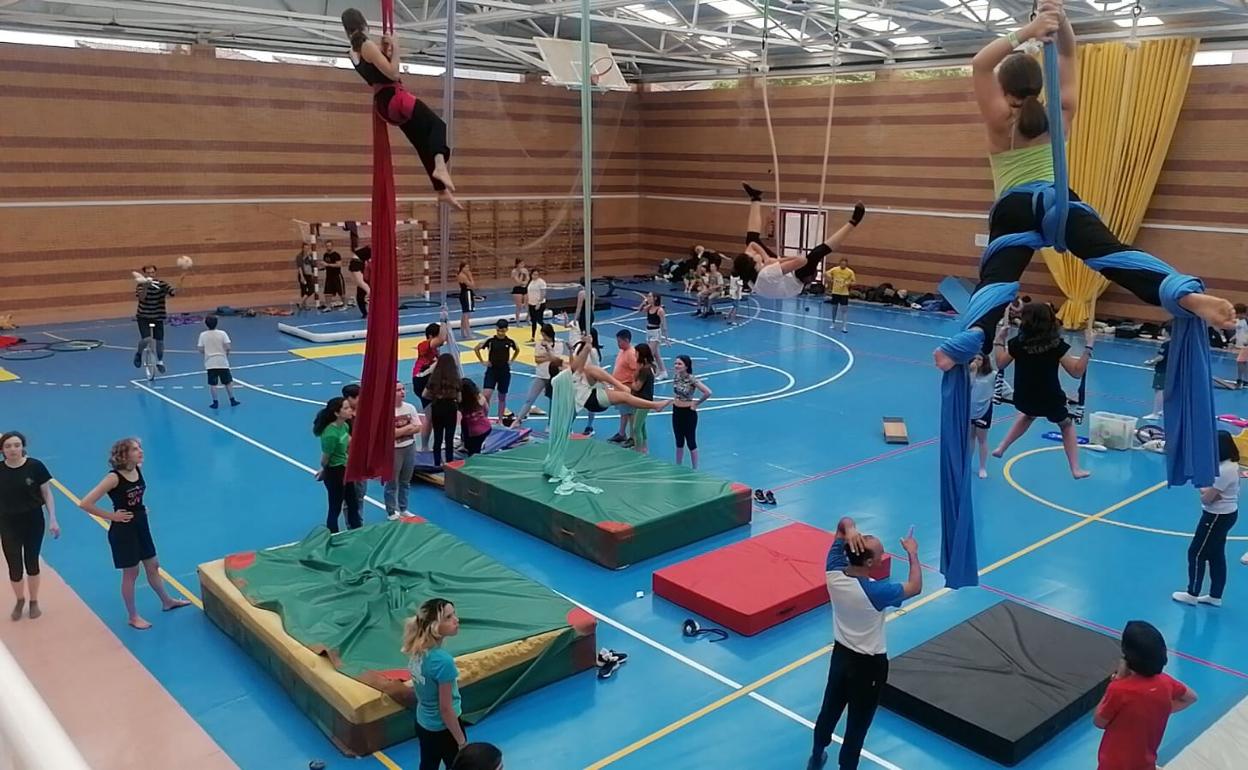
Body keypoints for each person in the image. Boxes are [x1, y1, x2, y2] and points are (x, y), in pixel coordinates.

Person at [933, 0, 1233, 373]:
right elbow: (1068, 52)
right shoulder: (1060, 110)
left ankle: (972, 340)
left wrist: (1025, 32)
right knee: (1113, 255)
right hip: (1058, 201)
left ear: (1003, 86)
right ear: (1039, 85)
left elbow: (980, 63)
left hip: (1014, 209)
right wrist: (1060, 20)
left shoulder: (1000, 118)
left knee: (998, 281)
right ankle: (1184, 294)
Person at [808, 517, 921, 770]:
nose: (883, 557)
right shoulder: (877, 593)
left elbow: (842, 523)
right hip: (868, 667)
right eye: (881, 554)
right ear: (869, 562)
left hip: (840, 658)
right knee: (857, 726)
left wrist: (850, 529)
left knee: (829, 712)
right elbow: (915, 587)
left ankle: (816, 758)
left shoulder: (834, 572)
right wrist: (913, 553)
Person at [341, 8, 460, 209]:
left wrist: (384, 50)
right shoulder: (367, 45)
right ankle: (440, 167)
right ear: (362, 23)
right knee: (438, 126)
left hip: (385, 106)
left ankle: (441, 190)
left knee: (422, 143)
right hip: (395, 98)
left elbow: (374, 70)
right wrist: (396, 48)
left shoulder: (353, 52)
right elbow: (393, 74)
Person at [77, 438, 191, 629]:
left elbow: (136, 494)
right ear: (124, 454)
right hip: (123, 529)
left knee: (153, 565)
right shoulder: (113, 478)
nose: (141, 452)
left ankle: (167, 601)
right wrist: (112, 516)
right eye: (135, 449)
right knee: (131, 572)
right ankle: (133, 616)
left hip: (140, 523)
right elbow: (85, 503)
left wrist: (140, 507)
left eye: (140, 448)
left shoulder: (137, 469)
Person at [990, 303, 1093, 479]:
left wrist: (999, 340)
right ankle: (1075, 468)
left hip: (1023, 397)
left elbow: (1000, 363)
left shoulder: (1017, 344)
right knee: (1066, 425)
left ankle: (1002, 447)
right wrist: (1089, 347)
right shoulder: (1056, 346)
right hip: (1050, 399)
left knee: (1028, 414)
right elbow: (1076, 372)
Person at [1093, 620, 1197, 770]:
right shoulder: (1166, 682)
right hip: (1145, 763)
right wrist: (1161, 709)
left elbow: (1099, 721)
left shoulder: (1119, 689)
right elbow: (1191, 697)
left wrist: (1116, 681)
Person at [731, 184, 865, 300]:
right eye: (753, 255)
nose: (753, 253)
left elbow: (752, 244)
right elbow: (802, 260)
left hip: (776, 276)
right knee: (816, 253)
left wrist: (766, 258)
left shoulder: (749, 272)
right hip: (796, 280)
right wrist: (778, 261)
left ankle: (755, 198)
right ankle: (854, 222)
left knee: (751, 238)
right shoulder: (766, 275)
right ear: (754, 265)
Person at [546, 336, 670, 434]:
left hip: (592, 393)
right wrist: (587, 347)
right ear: (559, 371)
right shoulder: (559, 380)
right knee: (591, 371)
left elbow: (567, 363)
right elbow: (577, 365)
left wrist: (554, 349)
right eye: (563, 366)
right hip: (592, 400)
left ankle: (631, 393)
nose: (566, 365)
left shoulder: (565, 375)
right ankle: (654, 405)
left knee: (592, 371)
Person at [1173, 429, 1239, 607]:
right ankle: (1215, 595)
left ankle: (1192, 594)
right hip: (1226, 514)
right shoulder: (1229, 465)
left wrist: (1201, 484)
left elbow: (1207, 498)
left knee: (1196, 553)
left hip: (1216, 516)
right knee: (1216, 555)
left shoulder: (1225, 471)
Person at [402, 598, 467, 770]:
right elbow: (446, 709)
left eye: (454, 614)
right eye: (448, 617)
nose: (456, 619)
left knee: (428, 764)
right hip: (444, 728)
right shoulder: (442, 661)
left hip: (424, 722)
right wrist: (461, 741)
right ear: (435, 626)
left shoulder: (417, 650)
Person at [0, 432, 59, 621]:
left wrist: (53, 519)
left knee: (32, 562)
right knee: (14, 566)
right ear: (2, 450)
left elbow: (47, 494)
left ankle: (34, 601)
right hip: (7, 522)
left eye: (16, 445)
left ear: (22, 447)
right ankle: (20, 600)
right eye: (8, 446)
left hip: (33, 520)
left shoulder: (35, 467)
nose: (13, 449)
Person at [313, 397, 361, 533]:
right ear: (337, 413)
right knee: (335, 506)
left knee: (353, 502)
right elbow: (325, 458)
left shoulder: (344, 426)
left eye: (349, 407)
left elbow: (349, 442)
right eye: (346, 408)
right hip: (335, 472)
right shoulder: (330, 434)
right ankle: (332, 533)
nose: (350, 410)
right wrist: (324, 470)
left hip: (345, 468)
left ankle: (356, 530)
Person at [131, 263, 181, 373]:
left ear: (155, 273)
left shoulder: (161, 284)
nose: (151, 274)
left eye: (152, 272)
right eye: (148, 273)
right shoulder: (140, 285)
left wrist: (180, 283)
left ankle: (160, 361)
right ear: (145, 274)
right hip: (144, 316)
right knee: (147, 339)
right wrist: (145, 286)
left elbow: (173, 292)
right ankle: (138, 354)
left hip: (158, 316)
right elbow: (142, 298)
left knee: (160, 342)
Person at [516, 323, 567, 425]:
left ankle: (550, 424)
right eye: (542, 335)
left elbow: (556, 360)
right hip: (540, 375)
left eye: (545, 335)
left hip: (553, 376)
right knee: (530, 398)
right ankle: (518, 420)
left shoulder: (559, 343)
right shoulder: (539, 343)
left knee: (552, 402)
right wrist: (548, 355)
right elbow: (537, 359)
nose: (543, 337)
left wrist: (547, 354)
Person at [386, 382, 421, 521]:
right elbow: (390, 434)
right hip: (394, 450)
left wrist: (399, 431)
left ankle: (403, 508)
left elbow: (418, 427)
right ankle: (391, 510)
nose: (402, 392)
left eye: (403, 389)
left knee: (405, 481)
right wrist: (408, 429)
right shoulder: (387, 411)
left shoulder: (410, 407)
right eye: (398, 390)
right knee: (392, 481)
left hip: (409, 447)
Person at [670, 354, 711, 469]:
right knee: (678, 440)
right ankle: (678, 465)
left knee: (690, 441)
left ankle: (695, 468)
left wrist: (696, 403)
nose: (676, 366)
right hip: (676, 411)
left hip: (688, 413)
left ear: (686, 366)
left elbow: (707, 392)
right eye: (675, 363)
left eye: (679, 364)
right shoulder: (676, 376)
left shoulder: (692, 379)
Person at [413, 323, 449, 451]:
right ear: (430, 336)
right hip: (422, 380)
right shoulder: (423, 345)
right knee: (431, 416)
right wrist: (444, 320)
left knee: (433, 415)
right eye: (438, 335)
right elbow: (442, 339)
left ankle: (428, 445)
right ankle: (424, 446)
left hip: (429, 381)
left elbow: (445, 339)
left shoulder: (435, 351)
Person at [474, 319, 519, 419]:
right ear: (496, 329)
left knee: (502, 397)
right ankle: (484, 418)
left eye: (503, 331)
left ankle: (500, 419)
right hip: (492, 370)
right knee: (486, 395)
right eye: (499, 331)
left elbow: (517, 349)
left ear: (507, 330)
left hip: (504, 371)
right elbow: (476, 348)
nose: (500, 333)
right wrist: (482, 361)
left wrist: (512, 360)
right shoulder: (490, 340)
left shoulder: (510, 341)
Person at [423, 353, 462, 468]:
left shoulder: (434, 379)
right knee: (449, 438)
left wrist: (435, 397)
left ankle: (436, 463)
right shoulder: (455, 379)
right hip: (450, 408)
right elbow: (459, 398)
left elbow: (424, 394)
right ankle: (450, 463)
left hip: (437, 407)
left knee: (438, 437)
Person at [197, 315, 240, 410]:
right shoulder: (222, 333)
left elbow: (200, 349)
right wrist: (225, 354)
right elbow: (228, 347)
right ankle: (232, 400)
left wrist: (207, 352)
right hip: (222, 361)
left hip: (210, 363)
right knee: (227, 382)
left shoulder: (203, 335)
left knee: (213, 384)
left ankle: (215, 402)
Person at [607, 330, 639, 445]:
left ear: (626, 340)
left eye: (619, 341)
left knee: (630, 413)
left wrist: (633, 386)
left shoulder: (631, 353)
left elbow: (636, 370)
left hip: (626, 388)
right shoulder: (622, 351)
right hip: (620, 387)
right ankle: (622, 433)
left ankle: (632, 437)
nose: (618, 344)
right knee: (623, 412)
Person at [970, 353, 995, 479]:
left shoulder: (992, 375)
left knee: (982, 439)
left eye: (979, 359)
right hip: (969, 411)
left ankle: (982, 467)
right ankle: (967, 463)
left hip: (984, 411)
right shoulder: (969, 373)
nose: (976, 361)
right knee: (970, 439)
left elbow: (1003, 390)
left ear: (984, 361)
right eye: (974, 358)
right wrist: (972, 372)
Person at [631, 343, 657, 454]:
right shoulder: (650, 367)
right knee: (642, 425)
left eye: (636, 352)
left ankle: (639, 450)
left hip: (642, 400)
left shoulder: (644, 370)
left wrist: (629, 383)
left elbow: (637, 386)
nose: (635, 354)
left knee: (636, 427)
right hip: (644, 399)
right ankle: (644, 447)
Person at [639, 293, 669, 377]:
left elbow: (664, 325)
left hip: (656, 333)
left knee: (649, 354)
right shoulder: (649, 307)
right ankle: (663, 372)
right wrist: (644, 302)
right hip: (648, 332)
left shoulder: (660, 310)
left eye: (649, 296)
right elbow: (639, 310)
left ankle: (649, 373)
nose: (648, 298)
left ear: (655, 298)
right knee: (656, 355)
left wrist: (666, 338)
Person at [459, 379, 492, 456]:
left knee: (473, 453)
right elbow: (486, 409)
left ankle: (472, 448)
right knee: (464, 422)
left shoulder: (462, 404)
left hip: (475, 434)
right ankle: (470, 444)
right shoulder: (480, 397)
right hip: (487, 427)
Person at [825, 257, 856, 333]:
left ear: (846, 264)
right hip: (835, 292)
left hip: (844, 293)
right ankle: (833, 323)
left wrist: (848, 283)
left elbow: (854, 282)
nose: (843, 265)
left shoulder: (850, 272)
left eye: (844, 264)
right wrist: (831, 279)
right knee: (834, 308)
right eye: (842, 264)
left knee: (844, 310)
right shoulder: (835, 269)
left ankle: (844, 326)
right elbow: (826, 273)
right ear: (840, 263)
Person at [1143, 336, 1169, 420]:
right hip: (1170, 370)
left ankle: (1155, 413)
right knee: (1166, 390)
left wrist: (1151, 362)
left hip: (1162, 370)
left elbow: (1161, 357)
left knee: (1159, 390)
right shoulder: (1176, 344)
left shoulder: (1166, 344)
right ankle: (1163, 410)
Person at [296, 243, 321, 311]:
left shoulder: (310, 256)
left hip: (309, 275)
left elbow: (313, 265)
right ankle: (304, 305)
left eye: (307, 248)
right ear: (302, 248)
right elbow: (299, 267)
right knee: (303, 290)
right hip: (303, 275)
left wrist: (311, 259)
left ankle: (301, 302)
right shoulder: (299, 256)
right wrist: (302, 277)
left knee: (311, 289)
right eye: (305, 248)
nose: (306, 249)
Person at [348, 246, 372, 319]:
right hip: (356, 263)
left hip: (357, 263)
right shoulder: (371, 250)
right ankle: (368, 297)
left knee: (361, 283)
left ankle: (369, 295)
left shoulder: (375, 251)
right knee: (359, 283)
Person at [525, 268, 548, 341]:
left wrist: (539, 303)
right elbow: (529, 294)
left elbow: (543, 293)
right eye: (534, 274)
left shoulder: (541, 282)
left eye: (537, 275)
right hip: (531, 303)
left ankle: (548, 333)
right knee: (533, 321)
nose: (535, 276)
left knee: (539, 320)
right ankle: (533, 337)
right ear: (531, 275)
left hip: (539, 304)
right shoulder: (530, 282)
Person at [322, 240, 346, 310]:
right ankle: (328, 307)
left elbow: (339, 265)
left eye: (329, 246)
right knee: (327, 293)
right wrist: (322, 267)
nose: (328, 247)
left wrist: (328, 264)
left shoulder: (336, 255)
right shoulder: (325, 255)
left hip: (337, 276)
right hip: (329, 276)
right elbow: (326, 266)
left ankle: (345, 305)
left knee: (341, 292)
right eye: (327, 246)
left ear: (332, 246)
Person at [456, 262, 475, 340]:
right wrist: (470, 276)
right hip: (466, 294)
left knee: (464, 314)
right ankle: (468, 334)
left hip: (464, 294)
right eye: (466, 267)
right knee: (467, 314)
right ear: (462, 268)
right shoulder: (463, 276)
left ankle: (463, 332)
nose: (468, 269)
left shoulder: (460, 275)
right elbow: (472, 285)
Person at [509, 259, 529, 324]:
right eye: (521, 264)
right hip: (517, 289)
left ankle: (528, 319)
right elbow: (517, 282)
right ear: (517, 264)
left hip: (524, 288)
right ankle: (517, 321)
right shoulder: (514, 271)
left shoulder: (525, 270)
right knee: (519, 306)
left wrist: (525, 282)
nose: (522, 265)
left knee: (527, 305)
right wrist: (521, 274)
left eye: (523, 264)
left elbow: (528, 279)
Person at [1234, 303, 1248, 387]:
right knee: (1244, 362)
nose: (1236, 315)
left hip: (1246, 346)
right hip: (1243, 346)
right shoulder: (1240, 321)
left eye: (1237, 313)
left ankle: (1240, 379)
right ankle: (1245, 380)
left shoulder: (1246, 321)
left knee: (1240, 361)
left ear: (1242, 313)